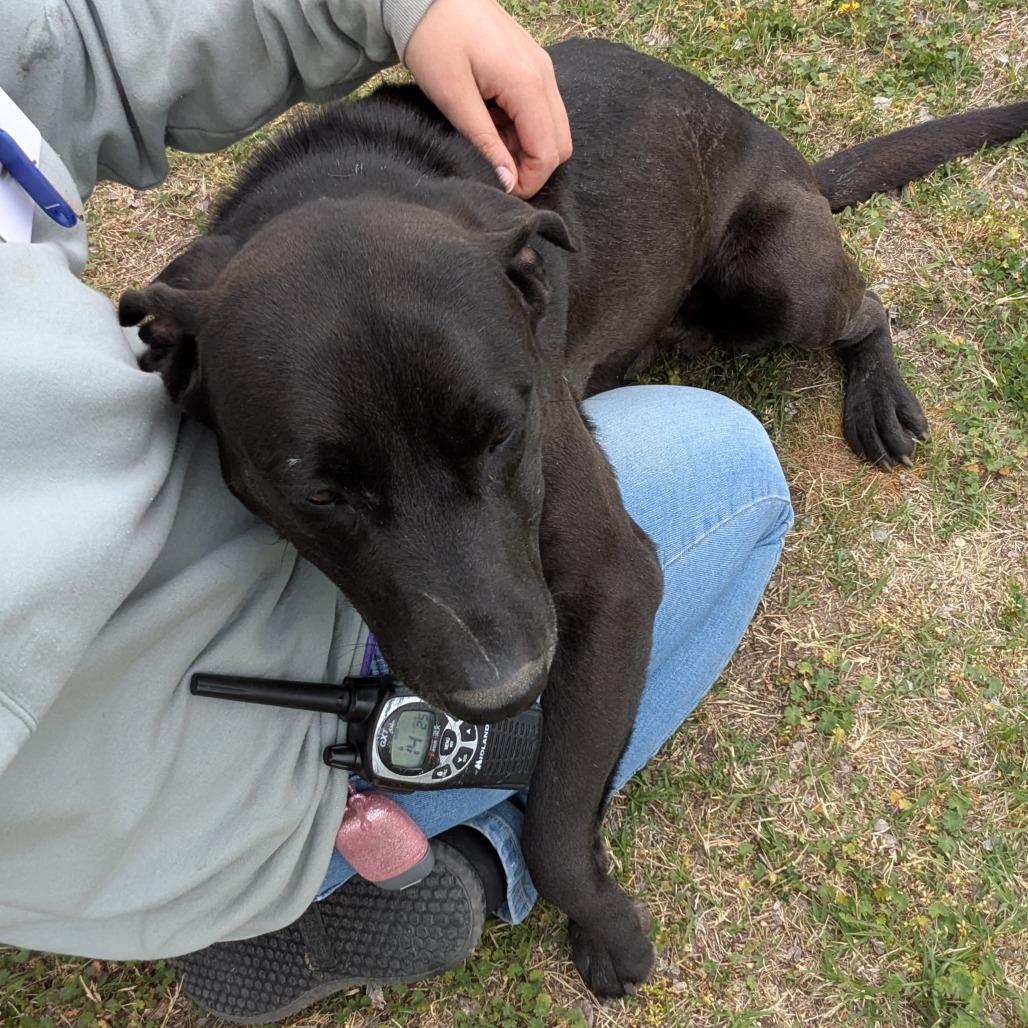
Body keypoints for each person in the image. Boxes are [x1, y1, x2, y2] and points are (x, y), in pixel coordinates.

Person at [0, 0, 793, 1021]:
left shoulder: (460, 274)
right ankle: (475, 853)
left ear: (530, 281)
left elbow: (61, 47)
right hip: (215, 778)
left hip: (87, 841)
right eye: (328, 491)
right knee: (727, 460)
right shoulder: (238, 337)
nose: (495, 659)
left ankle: (431, 858)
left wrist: (401, 7)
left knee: (775, 319)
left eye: (490, 433)